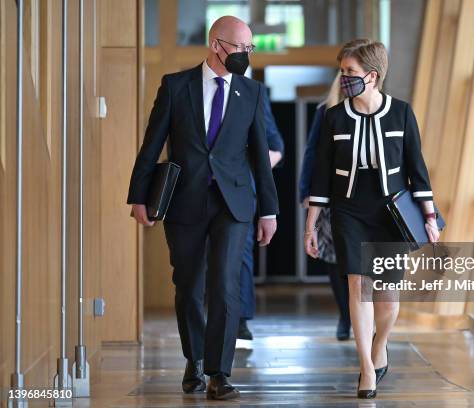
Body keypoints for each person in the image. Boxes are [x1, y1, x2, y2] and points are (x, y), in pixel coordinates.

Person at [127, 16, 279, 400]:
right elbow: (152, 144)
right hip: (185, 201)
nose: (246, 55)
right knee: (189, 286)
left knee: (226, 285)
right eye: (241, 48)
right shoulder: (176, 87)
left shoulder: (253, 93)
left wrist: (269, 211)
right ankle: (194, 361)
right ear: (216, 46)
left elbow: (261, 157)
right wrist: (139, 196)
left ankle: (219, 373)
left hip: (234, 203)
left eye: (250, 49)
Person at [304, 39, 440, 399]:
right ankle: (366, 365)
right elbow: (320, 178)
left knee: (388, 300)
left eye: (349, 72)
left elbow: (418, 172)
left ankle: (380, 344)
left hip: (389, 211)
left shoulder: (402, 114)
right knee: (358, 288)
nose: (343, 77)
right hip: (349, 209)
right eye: (342, 70)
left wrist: (429, 217)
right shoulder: (333, 117)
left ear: (372, 75)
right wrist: (311, 226)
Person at [299, 73, 351, 341]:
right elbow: (312, 152)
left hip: (363, 198)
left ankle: (362, 315)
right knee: (334, 259)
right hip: (330, 196)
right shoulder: (326, 111)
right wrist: (305, 192)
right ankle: (345, 315)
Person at [238, 89, 284, 340]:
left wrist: (246, 171)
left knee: (241, 253)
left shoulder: (252, 95)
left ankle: (240, 321)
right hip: (200, 191)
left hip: (241, 191)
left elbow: (276, 147)